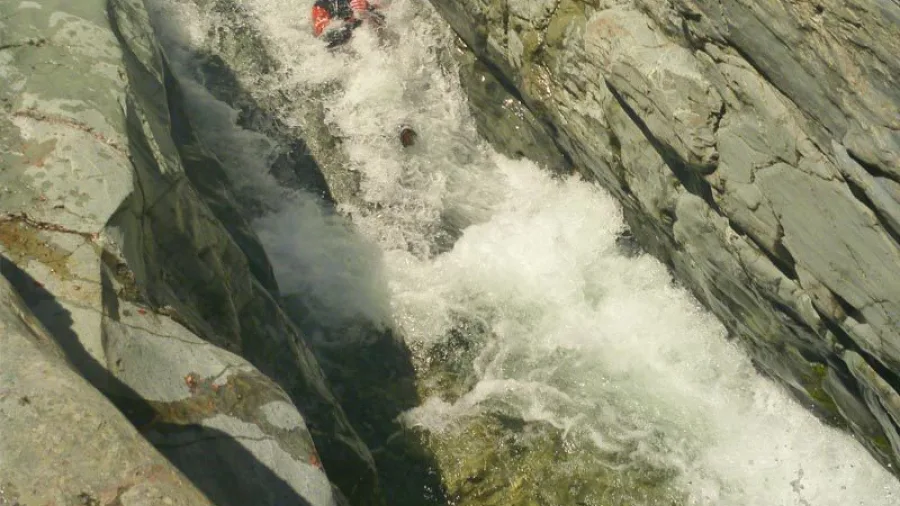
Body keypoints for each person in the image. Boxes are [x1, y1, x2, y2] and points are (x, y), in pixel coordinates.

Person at [312, 0, 384, 48]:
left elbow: (385, 24)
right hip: (338, 54)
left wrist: (369, 9)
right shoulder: (321, 5)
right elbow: (323, 37)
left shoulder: (366, 2)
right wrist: (353, 19)